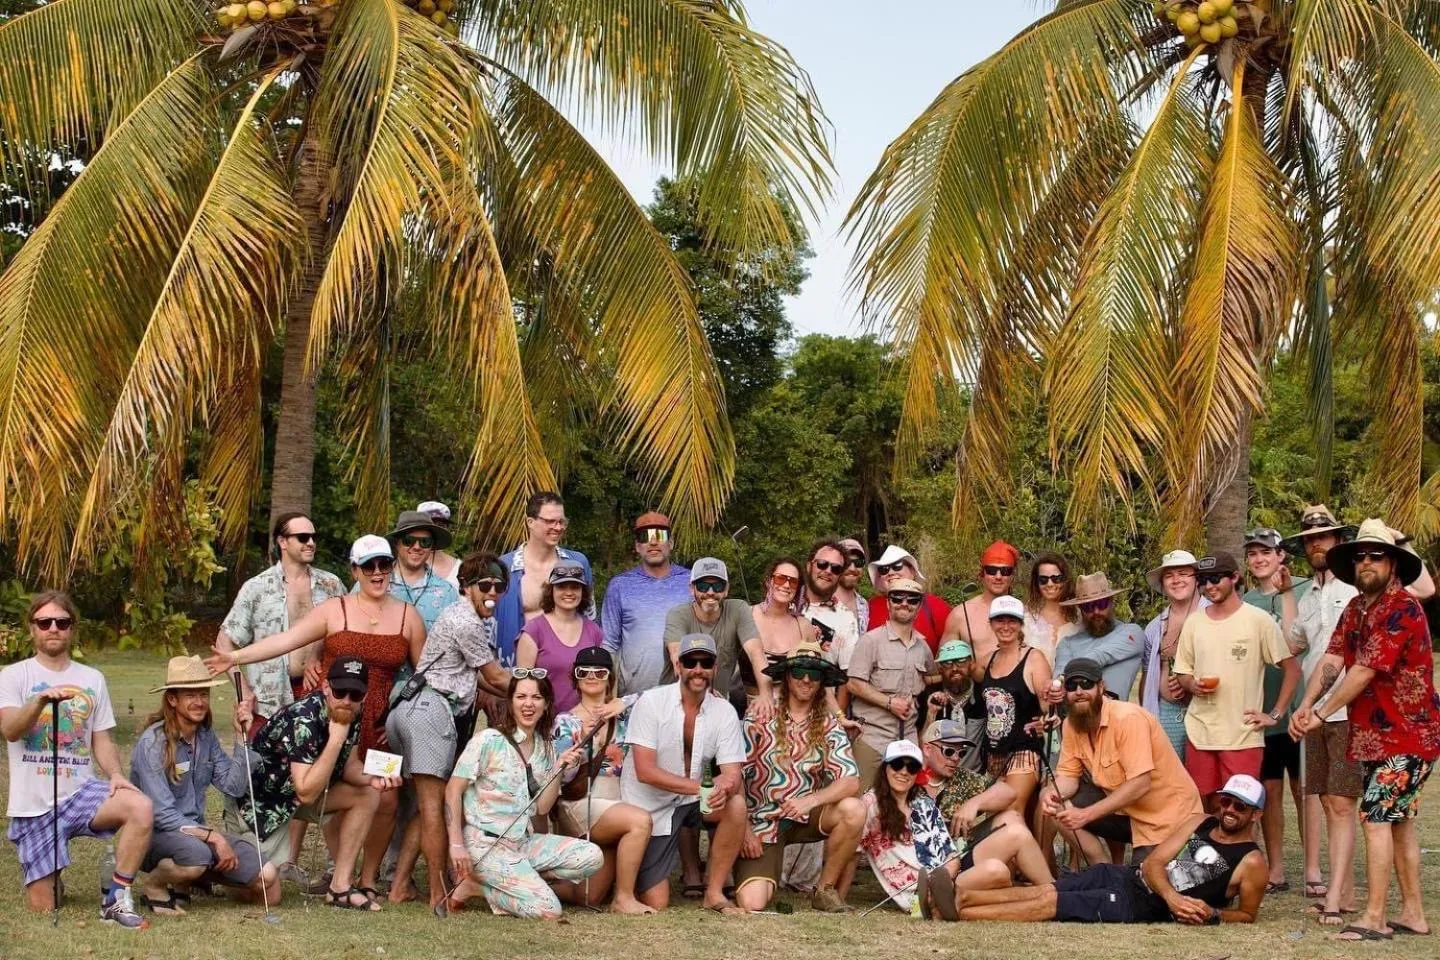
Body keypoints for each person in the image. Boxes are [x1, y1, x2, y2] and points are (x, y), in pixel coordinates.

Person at [206, 535, 425, 901]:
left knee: (383, 797)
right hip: (332, 712)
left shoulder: (408, 616)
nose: (377, 572)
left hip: (376, 722)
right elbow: (286, 641)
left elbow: (423, 674)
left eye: (384, 565)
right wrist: (237, 657)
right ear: (355, 570)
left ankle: (366, 880)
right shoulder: (334, 610)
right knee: (319, 784)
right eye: (368, 565)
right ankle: (333, 874)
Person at [1291, 519, 1440, 942]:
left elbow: (1363, 672)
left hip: (1408, 735)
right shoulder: (1357, 608)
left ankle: (1374, 916)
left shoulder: (1401, 608)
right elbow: (1333, 659)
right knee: (1398, 822)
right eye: (1361, 556)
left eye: (1377, 555)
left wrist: (1320, 714)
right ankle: (1413, 913)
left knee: (1375, 819)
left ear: (1393, 563)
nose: (1367, 562)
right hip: (1376, 736)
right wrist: (1303, 707)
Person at [1, 591, 153, 927]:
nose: (53, 628)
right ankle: (51, 877)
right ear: (32, 629)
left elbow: (101, 737)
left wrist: (114, 773)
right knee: (45, 905)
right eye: (45, 622)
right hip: (34, 806)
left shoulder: (92, 679)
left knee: (139, 806)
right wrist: (39, 701)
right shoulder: (12, 676)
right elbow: (11, 730)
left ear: (72, 629)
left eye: (62, 622)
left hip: (80, 793)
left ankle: (115, 899)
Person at [957, 774, 1268, 925]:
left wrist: (1213, 914)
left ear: (1256, 815)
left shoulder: (1251, 861)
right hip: (1126, 877)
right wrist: (1173, 897)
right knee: (1047, 890)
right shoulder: (1201, 821)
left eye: (1240, 806)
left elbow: (1246, 914)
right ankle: (962, 897)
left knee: (1049, 905)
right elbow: (1153, 863)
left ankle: (960, 913)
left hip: (1138, 906)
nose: (1229, 809)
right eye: (1226, 801)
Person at [383, 552, 512, 907]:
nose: (492, 592)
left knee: (427, 806)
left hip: (414, 710)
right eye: (484, 585)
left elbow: (482, 680)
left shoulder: (464, 615)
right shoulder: (467, 621)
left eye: (499, 587)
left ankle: (399, 887)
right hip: (429, 711)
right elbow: (497, 678)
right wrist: (536, 690)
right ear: (466, 587)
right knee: (435, 806)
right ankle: (440, 893)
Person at [224, 657, 402, 911]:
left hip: (291, 799)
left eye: (356, 694)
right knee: (266, 892)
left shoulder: (350, 711)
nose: (347, 700)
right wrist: (336, 738)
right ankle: (213, 865)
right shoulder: (305, 717)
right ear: (326, 687)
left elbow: (350, 767)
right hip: (260, 807)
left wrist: (375, 777)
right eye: (340, 692)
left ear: (365, 695)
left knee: (368, 794)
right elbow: (306, 791)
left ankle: (340, 887)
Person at [441, 670, 601, 919]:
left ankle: (506, 881)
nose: (528, 704)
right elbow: (453, 789)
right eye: (521, 697)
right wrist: (456, 845)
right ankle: (477, 886)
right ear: (511, 701)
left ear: (546, 703)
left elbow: (543, 809)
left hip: (522, 843)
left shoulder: (546, 748)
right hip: (484, 845)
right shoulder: (489, 740)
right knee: (548, 911)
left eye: (536, 697)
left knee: (591, 856)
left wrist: (558, 768)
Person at [130, 657, 278, 913]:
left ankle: (191, 880)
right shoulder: (152, 744)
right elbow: (162, 815)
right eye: (190, 695)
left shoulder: (206, 737)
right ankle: (155, 884)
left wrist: (241, 737)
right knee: (197, 857)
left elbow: (234, 787)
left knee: (268, 879)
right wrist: (214, 837)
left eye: (203, 693)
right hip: (154, 837)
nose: (199, 702)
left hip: (197, 838)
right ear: (172, 700)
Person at [620, 634, 750, 914]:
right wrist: (703, 788)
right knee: (657, 901)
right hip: (649, 807)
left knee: (735, 805)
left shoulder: (724, 711)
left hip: (691, 802)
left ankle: (713, 893)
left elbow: (732, 774)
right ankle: (623, 880)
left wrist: (724, 786)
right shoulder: (652, 702)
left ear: (716, 668)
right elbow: (645, 771)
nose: (698, 669)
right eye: (691, 662)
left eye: (706, 662)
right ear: (679, 666)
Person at [735, 642, 864, 913]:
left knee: (854, 809)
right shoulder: (760, 715)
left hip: (804, 817)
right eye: (800, 672)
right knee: (752, 903)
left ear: (821, 682)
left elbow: (851, 780)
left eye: (815, 674)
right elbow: (734, 775)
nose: (807, 679)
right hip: (761, 822)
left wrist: (811, 800)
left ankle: (824, 890)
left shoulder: (829, 724)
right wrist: (744, 829)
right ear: (786, 676)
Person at [1041, 659, 1203, 867]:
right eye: (1072, 686)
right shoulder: (1072, 724)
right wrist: (1050, 794)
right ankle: (1103, 868)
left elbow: (1140, 784)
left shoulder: (1128, 718)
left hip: (1167, 819)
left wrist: (1086, 815)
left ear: (1101, 687)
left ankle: (1190, 859)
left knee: (1150, 889)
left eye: (1087, 684)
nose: (1079, 691)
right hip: (1127, 813)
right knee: (1057, 803)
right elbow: (1068, 777)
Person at [1281, 505, 1361, 917]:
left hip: (1349, 713)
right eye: (1310, 539)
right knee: (1329, 802)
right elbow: (1293, 644)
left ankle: (1338, 896)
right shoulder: (1308, 596)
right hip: (1314, 713)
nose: (1316, 543)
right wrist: (1282, 593)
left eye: (1323, 537)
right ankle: (1341, 893)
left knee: (1343, 802)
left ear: (1339, 542)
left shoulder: (1355, 590)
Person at [1172, 554, 1300, 807]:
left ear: (1234, 577)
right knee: (1202, 808)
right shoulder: (1194, 622)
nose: (1209, 586)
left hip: (1242, 735)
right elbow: (1182, 672)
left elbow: (1293, 669)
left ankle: (1240, 849)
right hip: (1200, 732)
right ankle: (1202, 848)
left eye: (1216, 578)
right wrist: (1190, 684)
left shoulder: (1257, 620)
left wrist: (1274, 715)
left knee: (1239, 809)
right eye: (1203, 580)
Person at [216, 511, 345, 726]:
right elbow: (224, 640)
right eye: (303, 537)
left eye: (314, 537)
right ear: (282, 542)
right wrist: (244, 692)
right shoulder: (257, 588)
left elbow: (347, 630)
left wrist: (318, 651)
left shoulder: (331, 584)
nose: (311, 543)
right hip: (271, 702)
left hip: (323, 696)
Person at [550, 647, 654, 914]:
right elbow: (562, 779)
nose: (592, 676)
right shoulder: (566, 722)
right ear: (575, 677)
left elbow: (662, 695)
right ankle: (624, 898)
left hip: (615, 803)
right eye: (584, 672)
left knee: (589, 897)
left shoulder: (624, 716)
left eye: (600, 671)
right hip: (581, 804)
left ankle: (535, 884)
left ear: (609, 677)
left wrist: (624, 701)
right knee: (640, 821)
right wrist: (580, 756)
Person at [858, 740, 1013, 918]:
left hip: (945, 881)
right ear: (885, 768)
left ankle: (946, 905)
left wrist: (942, 879)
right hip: (913, 892)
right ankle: (936, 904)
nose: (904, 772)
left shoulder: (924, 804)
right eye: (897, 764)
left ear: (918, 773)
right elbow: (852, 850)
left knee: (998, 870)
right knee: (995, 873)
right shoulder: (870, 804)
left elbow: (951, 857)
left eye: (912, 767)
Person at [1241, 527, 1307, 893]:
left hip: (1297, 711)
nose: (1259, 559)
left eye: (1266, 551)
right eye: (1253, 553)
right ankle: (1277, 869)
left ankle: (1313, 870)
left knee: (1304, 793)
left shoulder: (1303, 589)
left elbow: (1297, 644)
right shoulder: (1246, 600)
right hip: (1261, 714)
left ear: (1282, 555)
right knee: (1270, 793)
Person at [921, 720, 1053, 887]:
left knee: (1011, 817)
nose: (955, 758)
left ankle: (1049, 888)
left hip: (961, 850)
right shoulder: (908, 776)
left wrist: (974, 803)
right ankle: (1049, 891)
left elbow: (1008, 792)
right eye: (948, 751)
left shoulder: (961, 777)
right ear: (927, 749)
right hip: (930, 858)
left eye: (961, 753)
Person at [848, 578, 939, 784]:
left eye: (912, 599)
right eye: (897, 598)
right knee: (863, 800)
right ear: (888, 603)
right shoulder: (870, 641)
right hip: (872, 738)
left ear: (918, 607)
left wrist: (958, 669)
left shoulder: (922, 647)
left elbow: (930, 676)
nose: (904, 603)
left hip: (907, 739)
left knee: (903, 802)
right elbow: (853, 683)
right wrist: (889, 703)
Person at [495, 491, 594, 667]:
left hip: (568, 671)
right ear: (530, 522)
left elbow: (590, 618)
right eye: (550, 521)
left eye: (561, 521)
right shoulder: (504, 567)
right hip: (517, 673)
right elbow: (489, 627)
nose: (558, 527)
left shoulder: (577, 563)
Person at [969, 595, 1048, 816]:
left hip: (1024, 749)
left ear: (1021, 624)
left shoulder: (1034, 659)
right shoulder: (987, 660)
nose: (1006, 626)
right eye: (999, 620)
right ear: (991, 624)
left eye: (1012, 620)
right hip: (993, 753)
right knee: (994, 817)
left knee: (1012, 810)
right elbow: (967, 673)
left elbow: (1048, 707)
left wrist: (1046, 721)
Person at [601, 511, 692, 697]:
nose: (653, 542)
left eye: (660, 535)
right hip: (632, 698)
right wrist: (608, 695)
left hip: (684, 694)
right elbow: (609, 645)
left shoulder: (692, 582)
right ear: (637, 546)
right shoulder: (619, 586)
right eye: (645, 537)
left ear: (671, 543)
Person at [660, 557, 760, 701]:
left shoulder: (738, 609)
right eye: (703, 586)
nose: (711, 592)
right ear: (691, 589)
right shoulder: (677, 615)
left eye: (718, 586)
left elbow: (756, 653)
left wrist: (765, 694)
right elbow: (676, 654)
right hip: (673, 703)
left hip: (716, 706)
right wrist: (705, 691)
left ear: (726, 589)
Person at [1139, 550, 1206, 762]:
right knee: (1170, 782)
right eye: (1169, 575)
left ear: (1197, 578)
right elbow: (1147, 675)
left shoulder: (1214, 615)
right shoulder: (1154, 627)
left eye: (1184, 573)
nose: (1176, 580)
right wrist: (1145, 718)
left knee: (1203, 785)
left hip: (1207, 714)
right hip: (1166, 714)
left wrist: (1188, 682)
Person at [515, 563, 605, 714]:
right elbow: (523, 688)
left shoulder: (594, 631)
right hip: (544, 723)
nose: (569, 592)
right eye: (562, 586)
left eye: (575, 587)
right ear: (551, 590)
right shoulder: (533, 631)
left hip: (585, 724)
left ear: (583, 592)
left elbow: (605, 680)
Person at [1050, 572, 1144, 701]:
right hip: (1077, 716)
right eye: (1088, 607)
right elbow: (1059, 679)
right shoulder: (1067, 643)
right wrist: (1056, 685)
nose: (1096, 612)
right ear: (1080, 610)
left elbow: (1101, 655)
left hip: (1117, 716)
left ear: (1112, 603)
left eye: (1101, 604)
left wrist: (1068, 675)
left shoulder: (1131, 632)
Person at [745, 557, 820, 704]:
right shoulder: (746, 615)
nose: (786, 585)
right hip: (749, 706)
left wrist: (839, 716)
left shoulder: (803, 626)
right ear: (769, 581)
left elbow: (818, 674)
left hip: (792, 708)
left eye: (793, 581)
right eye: (780, 579)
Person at [382, 510, 461, 630]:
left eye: (425, 542)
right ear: (396, 544)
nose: (417, 547)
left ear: (432, 547)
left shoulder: (447, 593)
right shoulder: (373, 583)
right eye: (408, 541)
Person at [943, 541, 1020, 661]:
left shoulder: (1026, 614)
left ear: (1012, 575)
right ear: (982, 573)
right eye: (991, 570)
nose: (998, 577)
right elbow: (944, 663)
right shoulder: (960, 614)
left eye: (1005, 571)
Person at [866, 545, 950, 652]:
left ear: (912, 571)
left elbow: (950, 647)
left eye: (897, 566)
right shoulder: (870, 606)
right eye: (884, 569)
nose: (890, 573)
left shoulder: (934, 605)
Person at [802, 540, 864, 672]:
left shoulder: (846, 619)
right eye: (822, 564)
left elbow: (847, 676)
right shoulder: (785, 599)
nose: (828, 571)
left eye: (836, 568)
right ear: (809, 566)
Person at [923, 640, 981, 765]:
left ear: (971, 663)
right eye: (947, 664)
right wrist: (931, 713)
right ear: (940, 669)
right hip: (939, 776)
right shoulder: (931, 695)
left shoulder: (982, 694)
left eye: (961, 662)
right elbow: (922, 745)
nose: (955, 668)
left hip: (973, 777)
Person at [1022, 552, 1079, 667]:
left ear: (1065, 580)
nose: (1050, 584)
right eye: (1043, 579)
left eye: (1056, 579)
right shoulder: (1025, 618)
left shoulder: (1080, 617)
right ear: (1036, 583)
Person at [416, 500, 462, 592]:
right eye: (428, 525)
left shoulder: (460, 568)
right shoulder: (402, 566)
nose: (434, 530)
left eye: (440, 525)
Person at [835, 538, 870, 641]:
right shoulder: (818, 601)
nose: (852, 568)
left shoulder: (864, 605)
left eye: (858, 563)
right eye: (846, 562)